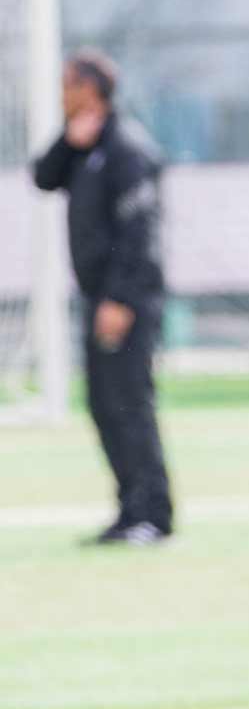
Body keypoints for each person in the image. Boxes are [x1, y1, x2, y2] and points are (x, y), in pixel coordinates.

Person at [29, 48, 171, 546]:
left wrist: (121, 301)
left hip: (125, 302)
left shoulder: (128, 148)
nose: (62, 93)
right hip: (99, 299)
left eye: (68, 83)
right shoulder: (87, 146)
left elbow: (141, 235)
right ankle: (130, 509)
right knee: (104, 405)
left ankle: (154, 514)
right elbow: (43, 177)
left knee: (130, 404)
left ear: (89, 88)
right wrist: (70, 144)